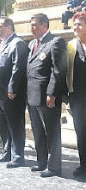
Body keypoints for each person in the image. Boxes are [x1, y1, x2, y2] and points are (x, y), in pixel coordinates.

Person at [27, 13, 66, 177]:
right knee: (38, 132)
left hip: (47, 97)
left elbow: (57, 71)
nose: (31, 28)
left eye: (34, 24)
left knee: (52, 132)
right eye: (31, 24)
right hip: (32, 96)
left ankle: (54, 166)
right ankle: (41, 162)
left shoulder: (55, 42)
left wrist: (52, 93)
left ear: (45, 25)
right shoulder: (31, 44)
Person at [0, 17, 28, 168]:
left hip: (10, 93)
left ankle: (18, 156)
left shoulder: (17, 44)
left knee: (15, 124)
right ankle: (7, 152)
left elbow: (18, 67)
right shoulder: (0, 44)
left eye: (0, 27)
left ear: (10, 27)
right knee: (3, 124)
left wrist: (12, 88)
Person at [66, 11, 86, 177]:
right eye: (75, 24)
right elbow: (64, 71)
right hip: (78, 98)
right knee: (81, 132)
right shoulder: (71, 46)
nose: (76, 27)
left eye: (79, 24)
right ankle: (84, 165)